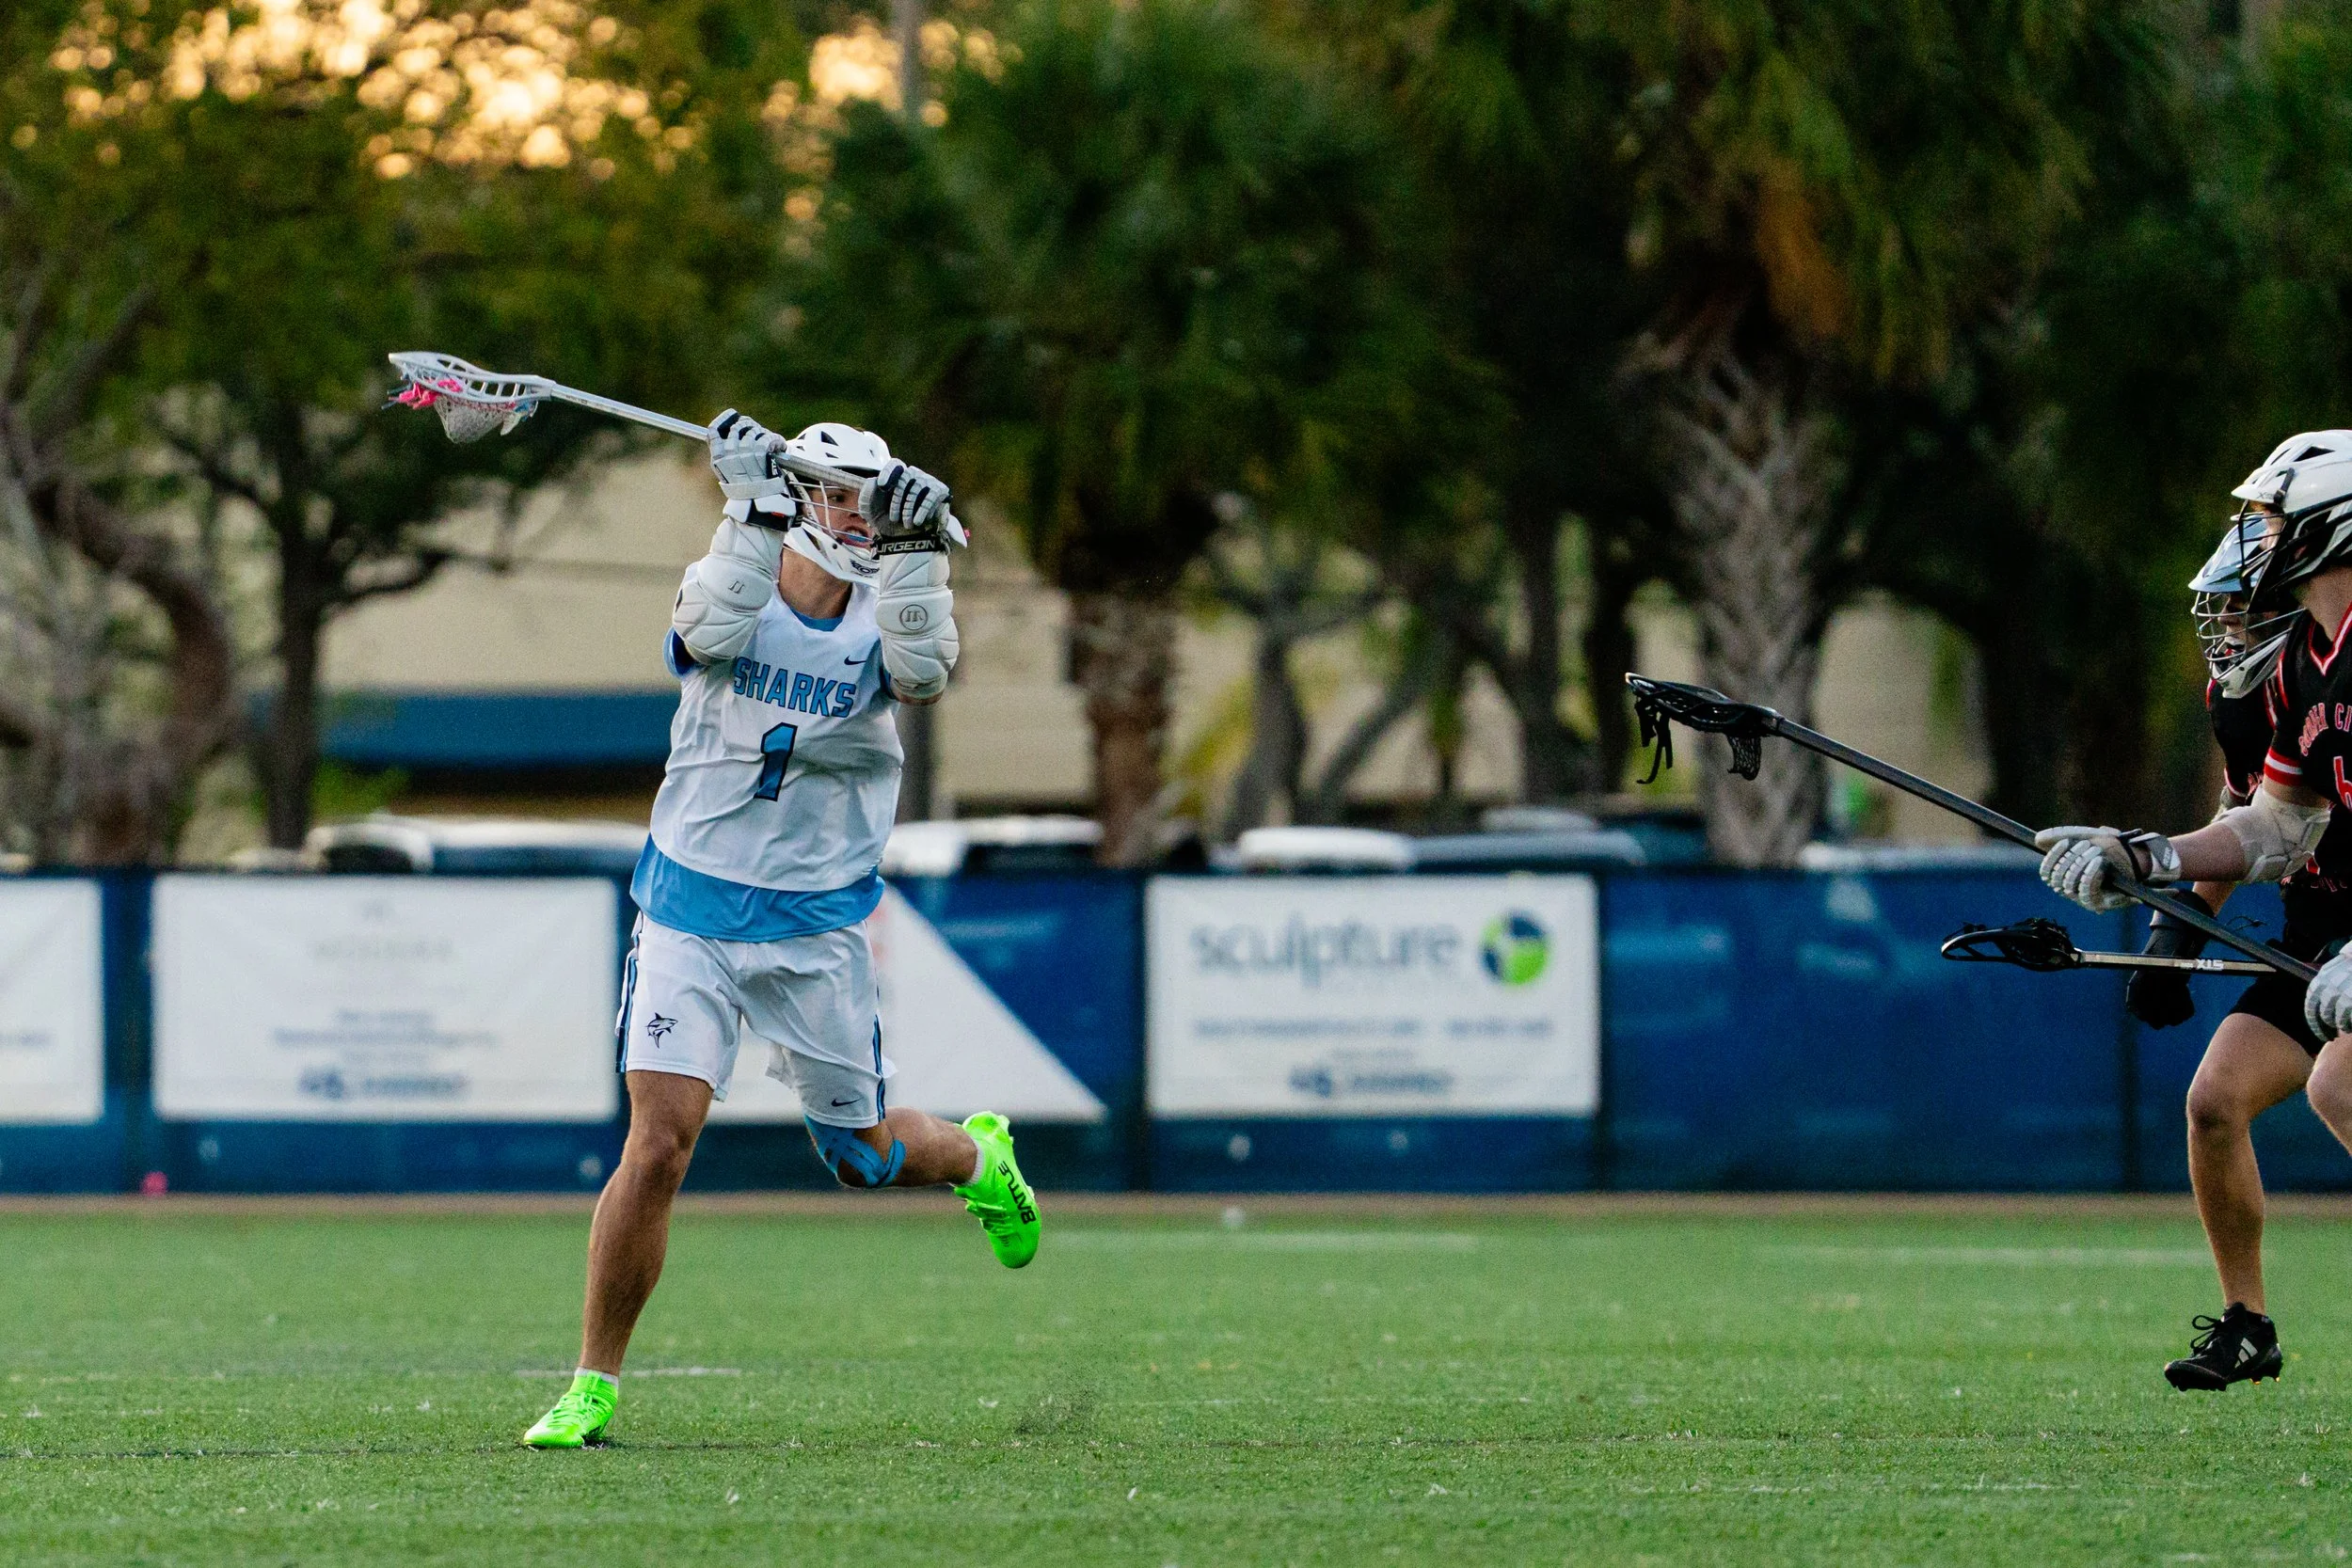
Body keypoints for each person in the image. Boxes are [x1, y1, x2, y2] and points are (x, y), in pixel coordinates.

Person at [522, 412, 1041, 1449]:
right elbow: (706, 637)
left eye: (868, 500)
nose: (854, 516)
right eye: (836, 495)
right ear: (797, 496)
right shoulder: (732, 577)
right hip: (691, 910)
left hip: (814, 927)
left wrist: (918, 558)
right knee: (657, 1144)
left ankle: (979, 1158)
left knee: (861, 1156)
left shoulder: (888, 607)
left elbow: (923, 674)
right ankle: (591, 1382)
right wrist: (747, 517)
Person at [2039, 430, 2352, 1390]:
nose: (2256, 539)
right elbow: (2274, 825)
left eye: (2272, 519)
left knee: (2340, 1084)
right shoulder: (2305, 663)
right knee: (2216, 1098)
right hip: (2323, 935)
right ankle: (2247, 1324)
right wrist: (2144, 859)